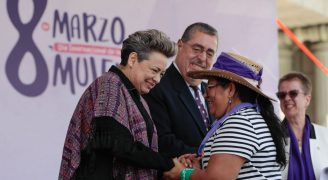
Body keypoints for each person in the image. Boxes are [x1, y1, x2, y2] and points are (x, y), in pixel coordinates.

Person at [58, 29, 177, 180]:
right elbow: (119, 145)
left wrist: (173, 162)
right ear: (133, 59)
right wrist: (168, 163)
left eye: (161, 74)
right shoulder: (110, 83)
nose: (158, 79)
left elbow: (137, 151)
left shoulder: (137, 97)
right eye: (155, 70)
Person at [164, 52, 286, 180]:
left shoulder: (239, 123)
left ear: (230, 90)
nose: (205, 95)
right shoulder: (248, 119)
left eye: (210, 86)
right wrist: (201, 165)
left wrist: (183, 173)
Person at [143, 22, 218, 159]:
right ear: (180, 45)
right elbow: (162, 142)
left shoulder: (213, 92)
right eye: (197, 49)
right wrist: (212, 159)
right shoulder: (156, 85)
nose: (202, 58)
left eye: (209, 53)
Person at [277, 72, 328, 180]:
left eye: (293, 93)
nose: (286, 98)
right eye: (281, 95)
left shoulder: (325, 135)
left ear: (307, 99)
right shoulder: (271, 137)